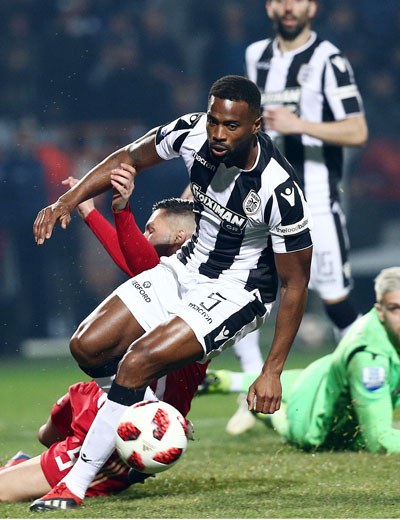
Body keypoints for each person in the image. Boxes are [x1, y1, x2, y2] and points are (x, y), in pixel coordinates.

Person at [30, 75, 313, 511]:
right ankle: (145, 408)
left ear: (256, 125)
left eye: (231, 126)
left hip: (237, 293)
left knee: (137, 362)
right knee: (88, 345)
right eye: (214, 121)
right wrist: (66, 202)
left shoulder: (280, 190)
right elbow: (127, 157)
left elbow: (295, 283)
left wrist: (272, 369)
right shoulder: (192, 132)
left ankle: (75, 484)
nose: (218, 134)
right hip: (185, 267)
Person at [0, 168, 204, 503]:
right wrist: (91, 212)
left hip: (133, 426)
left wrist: (118, 210)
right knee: (48, 431)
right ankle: (30, 466)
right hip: (107, 395)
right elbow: (137, 255)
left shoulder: (198, 290)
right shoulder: (167, 276)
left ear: (180, 238)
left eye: (151, 229)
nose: (143, 235)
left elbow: (139, 261)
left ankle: (60, 472)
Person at [225, 0, 369, 435]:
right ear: (269, 6)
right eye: (280, 0)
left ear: (313, 6)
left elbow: (357, 130)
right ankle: (250, 392)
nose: (289, 7)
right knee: (239, 292)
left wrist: (299, 124)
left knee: (335, 300)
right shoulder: (256, 56)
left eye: (298, 0)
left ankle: (367, 393)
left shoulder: (329, 60)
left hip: (317, 200)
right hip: (264, 199)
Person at [202, 266, 400, 454]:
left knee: (296, 382)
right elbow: (378, 439)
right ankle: (258, 408)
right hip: (311, 420)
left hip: (319, 374)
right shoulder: (369, 359)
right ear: (380, 311)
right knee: (286, 420)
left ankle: (223, 380)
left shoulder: (380, 336)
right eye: (395, 308)